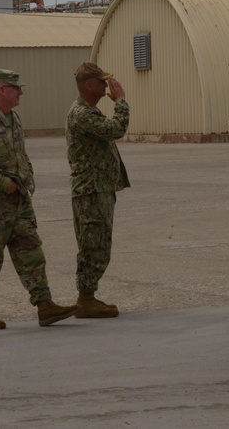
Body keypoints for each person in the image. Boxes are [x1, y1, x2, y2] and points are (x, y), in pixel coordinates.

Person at [0, 68, 78, 329]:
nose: (21, 93)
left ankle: (45, 305)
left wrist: (27, 180)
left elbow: (20, 156)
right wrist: (4, 185)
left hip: (19, 201)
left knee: (31, 252)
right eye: (16, 88)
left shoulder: (13, 119)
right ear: (1, 89)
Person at [65, 61, 130, 318]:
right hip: (91, 191)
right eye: (102, 82)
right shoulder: (82, 114)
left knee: (99, 245)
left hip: (98, 189)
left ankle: (88, 296)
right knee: (93, 245)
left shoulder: (88, 111)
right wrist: (121, 101)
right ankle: (86, 299)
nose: (106, 86)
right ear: (89, 85)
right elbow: (116, 129)